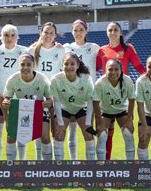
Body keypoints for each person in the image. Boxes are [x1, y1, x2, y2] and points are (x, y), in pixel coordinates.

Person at [96, 21, 146, 160]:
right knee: (106, 134)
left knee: (126, 133)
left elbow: (139, 66)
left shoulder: (128, 48)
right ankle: (105, 163)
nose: (113, 32)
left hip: (122, 94)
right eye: (110, 30)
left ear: (120, 33)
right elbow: (94, 68)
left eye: (115, 30)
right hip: (106, 94)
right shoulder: (101, 50)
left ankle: (129, 167)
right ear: (107, 32)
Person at [1, 53, 53, 160]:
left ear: (33, 65)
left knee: (45, 137)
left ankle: (47, 166)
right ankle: (11, 165)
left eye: (28, 65)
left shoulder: (42, 79)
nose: (25, 67)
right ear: (19, 66)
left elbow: (50, 98)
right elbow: (6, 98)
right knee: (11, 137)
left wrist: (49, 102)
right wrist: (6, 102)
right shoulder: (13, 79)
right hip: (21, 111)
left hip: (39, 111)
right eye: (22, 64)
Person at [63, 19, 100, 159]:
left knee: (88, 130)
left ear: (86, 31)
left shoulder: (94, 47)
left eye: (81, 30)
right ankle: (74, 162)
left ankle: (91, 165)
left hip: (89, 95)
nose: (78, 33)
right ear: (72, 31)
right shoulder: (66, 47)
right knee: (71, 130)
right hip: (70, 93)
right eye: (75, 30)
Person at [28, 22, 65, 159]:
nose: (48, 35)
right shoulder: (32, 50)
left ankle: (58, 166)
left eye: (51, 33)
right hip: (38, 96)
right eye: (46, 32)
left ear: (55, 35)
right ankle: (43, 165)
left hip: (55, 96)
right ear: (41, 33)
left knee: (57, 133)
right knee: (41, 134)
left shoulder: (61, 50)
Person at [0, 24, 28, 159]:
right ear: (2, 37)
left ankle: (21, 162)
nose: (9, 38)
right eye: (6, 35)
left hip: (18, 97)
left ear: (17, 37)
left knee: (20, 132)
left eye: (13, 35)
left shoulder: (24, 51)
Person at [51, 52, 96, 160]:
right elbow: (56, 102)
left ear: (78, 65)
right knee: (59, 134)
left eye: (72, 64)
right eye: (66, 64)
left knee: (89, 134)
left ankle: (91, 166)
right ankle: (58, 167)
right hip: (64, 108)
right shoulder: (56, 80)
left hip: (81, 108)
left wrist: (89, 123)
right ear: (62, 66)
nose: (69, 67)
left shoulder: (86, 78)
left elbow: (90, 102)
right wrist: (60, 124)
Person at [93, 59, 135, 160]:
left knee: (128, 134)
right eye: (110, 69)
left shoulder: (127, 80)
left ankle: (131, 165)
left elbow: (132, 99)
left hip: (121, 111)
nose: (113, 72)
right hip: (105, 111)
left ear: (121, 70)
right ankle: (101, 166)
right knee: (102, 135)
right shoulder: (100, 83)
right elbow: (95, 103)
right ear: (105, 70)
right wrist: (99, 122)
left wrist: (129, 119)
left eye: (116, 69)